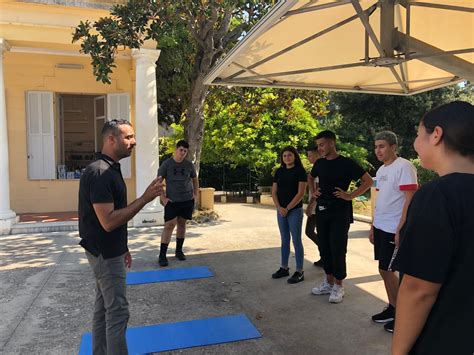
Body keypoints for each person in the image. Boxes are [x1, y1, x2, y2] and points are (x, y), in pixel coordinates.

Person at [391, 101, 474, 355]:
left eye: (418, 134)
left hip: (444, 339)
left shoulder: (437, 195)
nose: (416, 142)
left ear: (436, 135)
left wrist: (398, 352)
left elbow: (419, 290)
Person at [78, 119, 163, 355]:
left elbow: (108, 219)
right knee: (117, 312)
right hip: (104, 254)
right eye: (128, 137)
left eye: (133, 136)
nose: (133, 142)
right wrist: (145, 199)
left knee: (103, 308)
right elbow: (108, 221)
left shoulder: (109, 169)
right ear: (110, 139)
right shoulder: (100, 172)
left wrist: (123, 246)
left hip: (107, 249)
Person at [310, 130, 373, 303]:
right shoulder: (320, 163)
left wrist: (351, 195)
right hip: (322, 209)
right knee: (324, 247)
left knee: (338, 248)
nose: (320, 148)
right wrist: (313, 192)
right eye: (318, 146)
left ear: (332, 143)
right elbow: (311, 176)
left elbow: (368, 181)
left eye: (322, 145)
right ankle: (328, 283)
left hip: (340, 211)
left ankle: (339, 285)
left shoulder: (346, 163)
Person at [370, 131, 417, 333]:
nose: (378, 150)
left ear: (393, 147)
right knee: (384, 270)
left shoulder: (405, 166)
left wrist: (401, 227)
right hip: (381, 226)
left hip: (394, 228)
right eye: (376, 146)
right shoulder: (381, 170)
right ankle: (393, 307)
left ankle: (403, 315)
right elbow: (380, 199)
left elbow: (410, 198)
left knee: (388, 271)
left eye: (382, 146)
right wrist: (373, 225)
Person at [157, 140, 199, 267]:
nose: (183, 153)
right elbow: (158, 182)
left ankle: (179, 251)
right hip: (172, 201)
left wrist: (195, 195)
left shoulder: (189, 165)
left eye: (185, 151)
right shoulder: (167, 164)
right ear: (176, 150)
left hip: (186, 200)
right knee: (169, 225)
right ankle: (162, 255)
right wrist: (163, 197)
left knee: (182, 224)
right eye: (181, 150)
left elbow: (195, 180)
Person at [271, 146, 308, 284]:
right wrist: (279, 207)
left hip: (294, 211)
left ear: (295, 157)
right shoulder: (279, 171)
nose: (287, 158)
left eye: (289, 155)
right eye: (284, 155)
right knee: (284, 240)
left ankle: (299, 271)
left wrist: (287, 208)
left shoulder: (300, 171)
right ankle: (284, 267)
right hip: (281, 211)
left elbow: (300, 193)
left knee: (296, 240)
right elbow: (274, 191)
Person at [305, 145, 323, 267]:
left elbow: (317, 191)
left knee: (310, 231)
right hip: (316, 207)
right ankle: (325, 255)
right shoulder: (315, 170)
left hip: (317, 208)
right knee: (312, 232)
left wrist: (310, 206)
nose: (308, 158)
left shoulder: (319, 170)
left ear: (317, 155)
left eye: (310, 155)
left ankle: (326, 254)